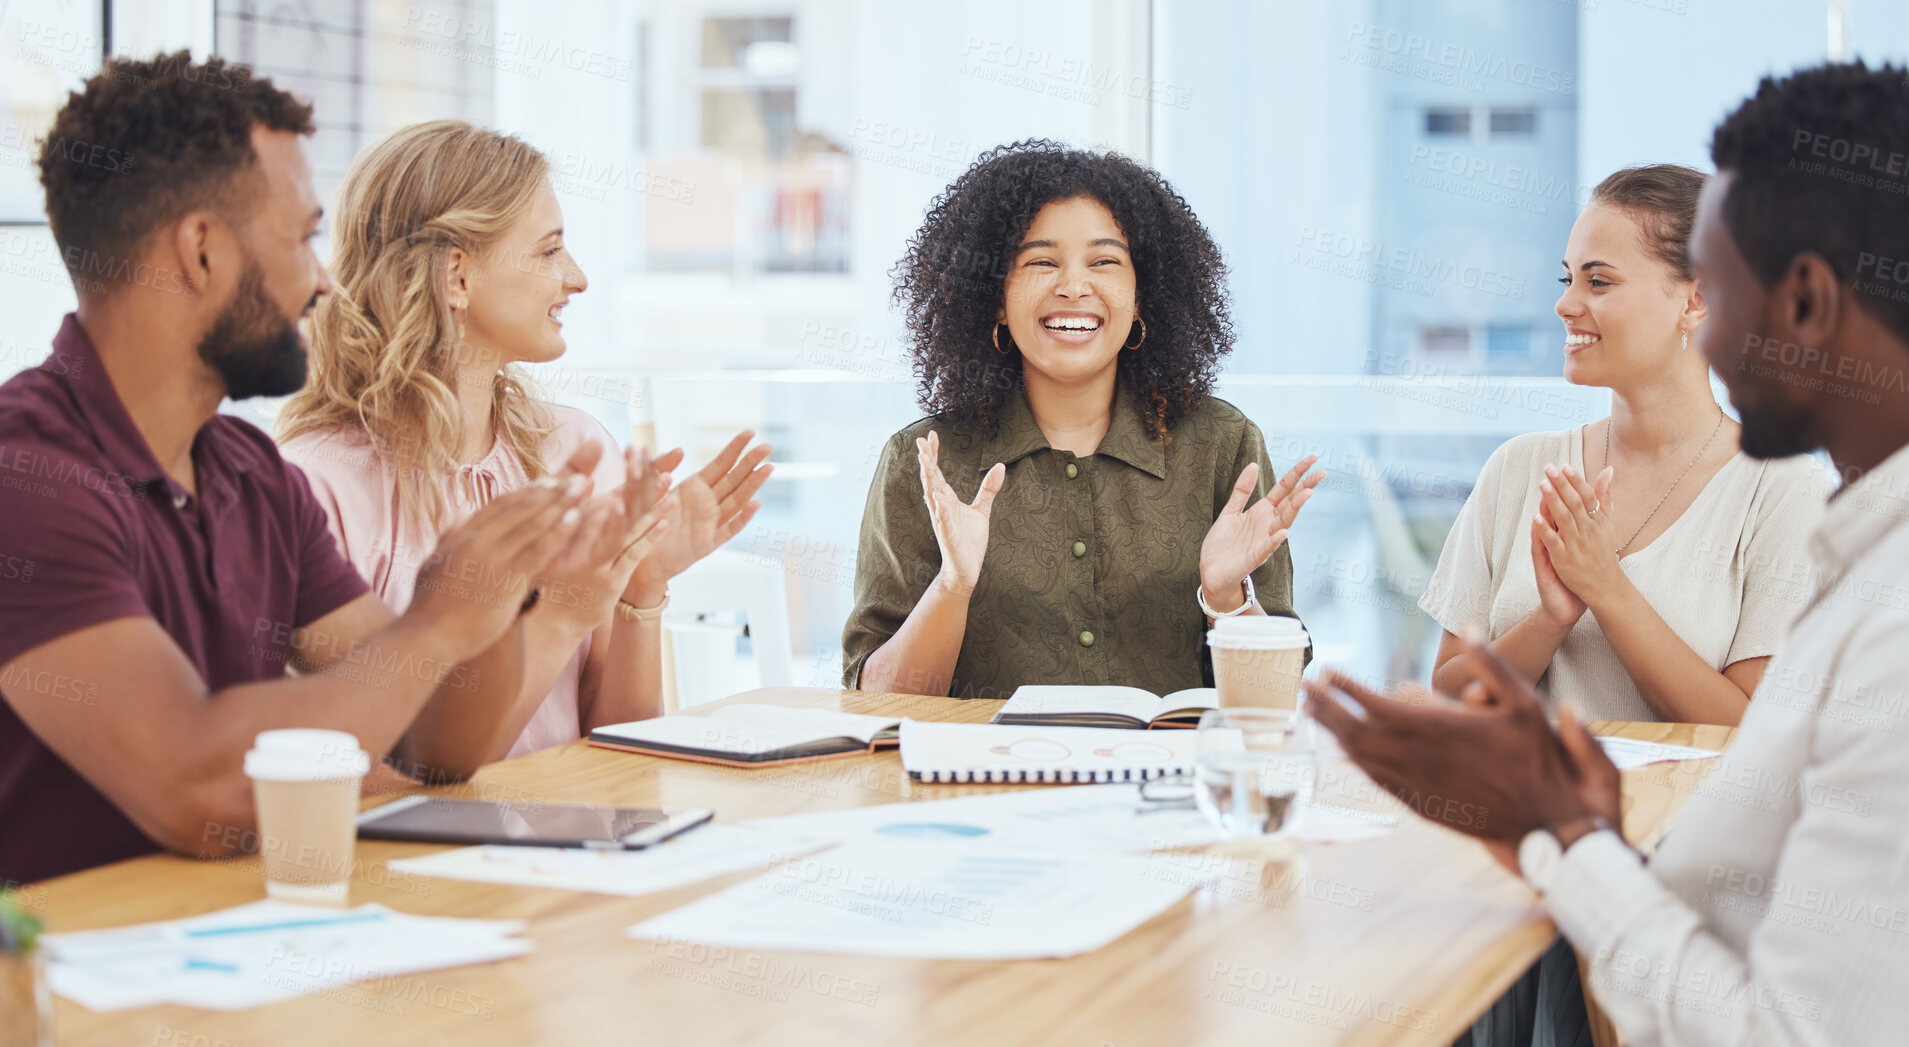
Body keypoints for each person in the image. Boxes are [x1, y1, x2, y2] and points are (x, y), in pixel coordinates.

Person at [1307, 61, 1909, 1046]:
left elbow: (1790, 1026)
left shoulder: (1873, 588)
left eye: (1721, 288)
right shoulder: (1864, 547)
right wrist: (1575, 824)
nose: (1713, 333)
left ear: (1797, 301)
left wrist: (1570, 831)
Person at [0, 52, 636, 884]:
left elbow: (439, 744)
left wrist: (496, 594)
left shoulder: (250, 474)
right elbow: (201, 787)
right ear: (200, 252)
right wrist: (438, 623)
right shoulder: (28, 478)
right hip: (71, 990)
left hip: (249, 959)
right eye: (302, 238)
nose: (325, 281)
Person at [276, 120, 771, 759]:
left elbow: (620, 754)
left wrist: (641, 587)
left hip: (568, 853)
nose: (578, 278)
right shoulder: (315, 486)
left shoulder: (575, 449)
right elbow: (407, 771)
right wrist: (562, 613)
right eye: (549, 250)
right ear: (456, 275)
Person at [842, 141, 1324, 700]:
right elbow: (873, 705)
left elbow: (1275, 700)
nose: (1073, 286)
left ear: (1143, 297)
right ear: (995, 299)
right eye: (1041, 261)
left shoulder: (1223, 447)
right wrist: (953, 586)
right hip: (981, 786)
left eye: (1104, 261)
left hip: (1167, 786)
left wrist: (1225, 598)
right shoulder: (925, 461)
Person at [1420, 165, 1825, 726]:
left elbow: (1753, 732)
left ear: (1696, 301)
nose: (1566, 305)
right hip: (1524, 812)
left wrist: (1607, 591)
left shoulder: (1784, 490)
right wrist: (1549, 621)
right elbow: (1447, 697)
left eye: (1599, 281)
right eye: (1568, 281)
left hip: (1687, 815)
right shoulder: (1519, 469)